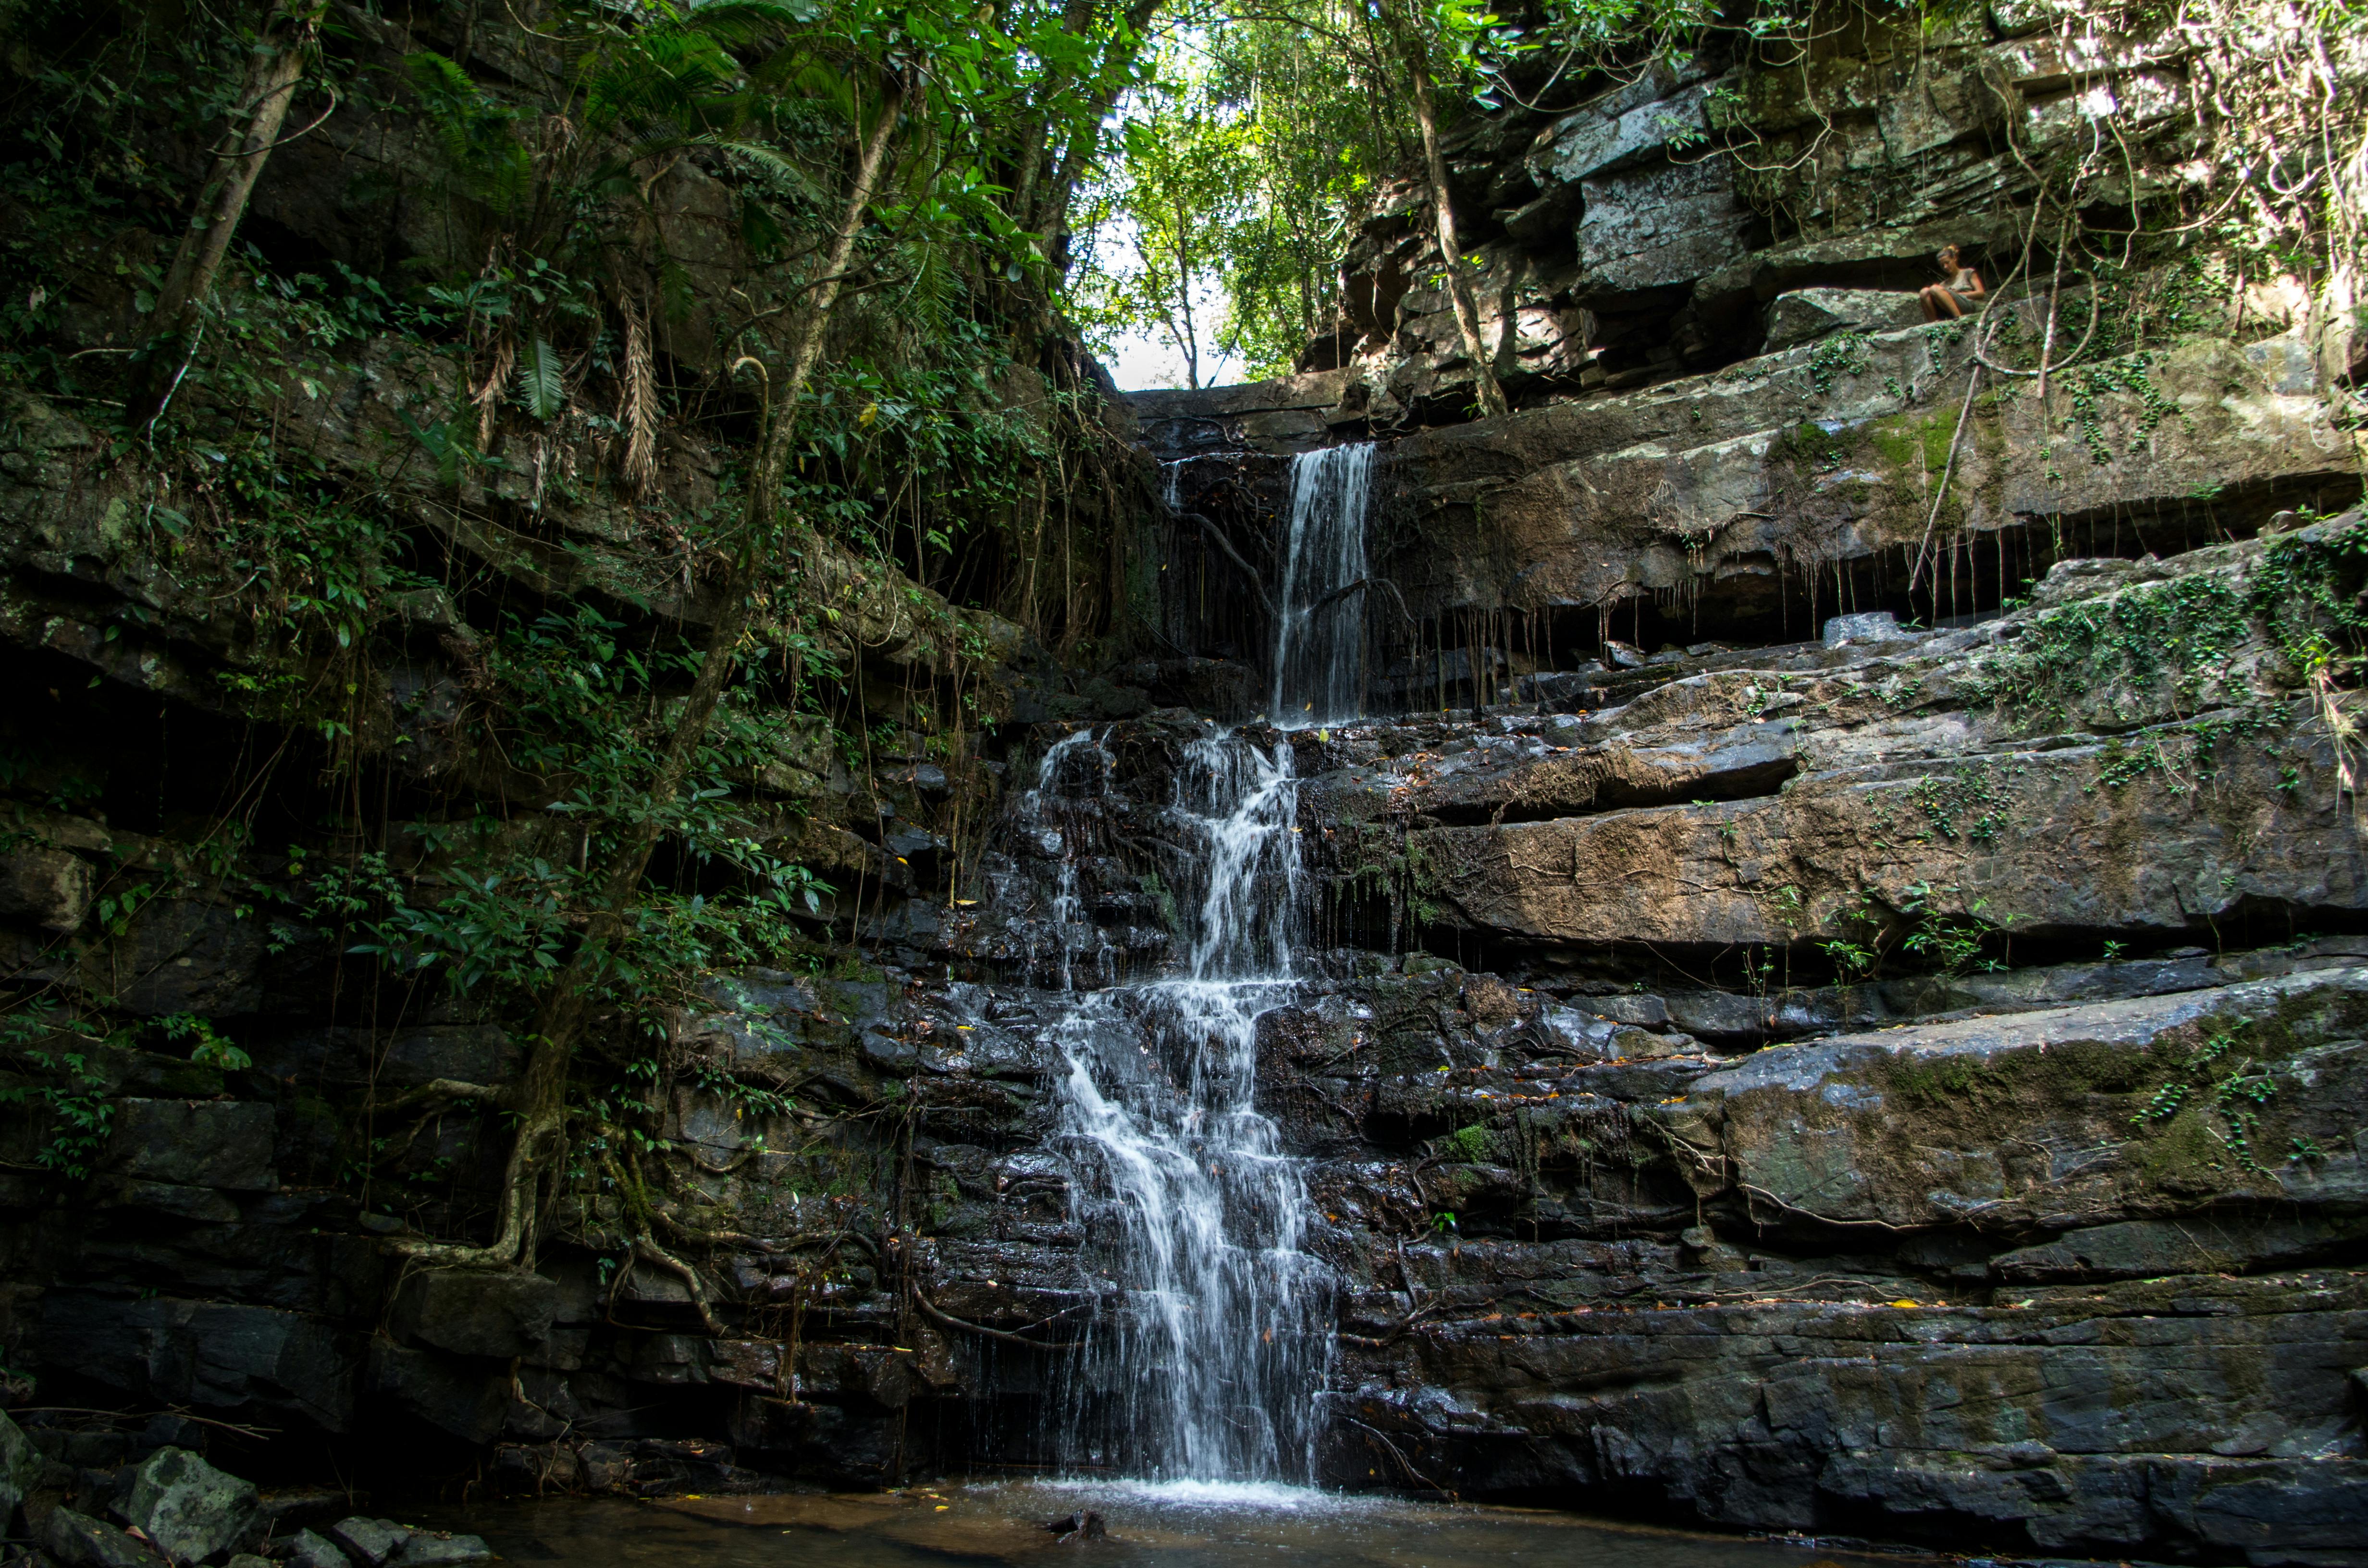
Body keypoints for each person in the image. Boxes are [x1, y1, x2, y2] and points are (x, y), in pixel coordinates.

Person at [1918, 244, 1986, 320]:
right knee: (1924, 292)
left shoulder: (1968, 273)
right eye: (1942, 265)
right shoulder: (1943, 285)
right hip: (1947, 311)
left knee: (1935, 289)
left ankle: (1959, 318)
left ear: (1954, 259)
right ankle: (1933, 323)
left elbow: (1981, 293)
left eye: (1947, 263)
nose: (1945, 267)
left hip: (1967, 305)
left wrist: (1958, 294)